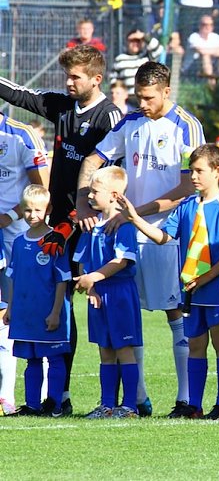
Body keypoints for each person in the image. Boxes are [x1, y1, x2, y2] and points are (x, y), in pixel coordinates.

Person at [0, 44, 123, 415]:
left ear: (96, 79)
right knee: (58, 299)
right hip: (62, 225)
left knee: (109, 306)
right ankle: (60, 396)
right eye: (66, 76)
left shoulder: (111, 116)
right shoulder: (62, 106)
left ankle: (130, 397)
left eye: (76, 77)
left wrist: (95, 206)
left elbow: (113, 171)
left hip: (96, 225)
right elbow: (21, 94)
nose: (68, 82)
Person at [77, 61, 204, 418]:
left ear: (167, 91)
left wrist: (134, 212)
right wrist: (81, 201)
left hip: (167, 234)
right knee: (129, 316)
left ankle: (185, 400)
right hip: (128, 232)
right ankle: (138, 399)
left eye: (148, 97)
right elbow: (93, 158)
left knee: (173, 311)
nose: (142, 103)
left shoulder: (187, 126)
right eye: (138, 96)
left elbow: (185, 186)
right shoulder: (130, 122)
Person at [122, 144, 219, 419]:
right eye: (191, 171)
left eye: (199, 171)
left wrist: (207, 276)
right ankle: (194, 406)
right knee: (196, 344)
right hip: (191, 290)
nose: (193, 177)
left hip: (216, 288)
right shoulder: (187, 205)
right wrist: (135, 219)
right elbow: (164, 236)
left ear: (217, 171)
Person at [72, 166, 142, 419]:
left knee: (124, 348)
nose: (89, 196)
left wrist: (94, 277)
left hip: (120, 293)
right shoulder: (92, 225)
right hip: (98, 294)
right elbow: (82, 259)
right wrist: (90, 284)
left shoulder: (123, 226)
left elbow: (122, 261)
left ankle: (130, 406)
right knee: (105, 350)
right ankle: (107, 405)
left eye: (95, 191)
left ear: (114, 195)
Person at [3, 184, 70, 417]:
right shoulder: (19, 242)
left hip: (48, 312)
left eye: (38, 210)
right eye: (28, 210)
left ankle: (54, 403)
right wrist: (10, 307)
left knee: (54, 356)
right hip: (25, 312)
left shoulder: (55, 241)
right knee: (31, 359)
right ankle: (32, 405)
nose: (33, 215)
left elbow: (62, 280)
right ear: (22, 210)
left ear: (48, 209)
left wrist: (56, 312)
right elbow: (13, 277)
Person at [0, 115, 48, 413]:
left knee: (24, 312)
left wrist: (10, 217)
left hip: (20, 239)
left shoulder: (20, 135)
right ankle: (6, 395)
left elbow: (41, 191)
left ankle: (41, 396)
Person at [111, 28, 165, 101]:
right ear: (127, 42)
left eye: (138, 41)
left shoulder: (148, 57)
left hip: (145, 98)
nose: (135, 43)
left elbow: (159, 49)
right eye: (132, 41)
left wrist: (144, 36)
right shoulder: (120, 59)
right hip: (127, 100)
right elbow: (113, 80)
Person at [183, 15, 219, 88]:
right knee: (205, 57)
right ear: (199, 25)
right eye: (205, 24)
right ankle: (212, 86)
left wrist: (209, 51)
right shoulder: (194, 37)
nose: (208, 27)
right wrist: (217, 51)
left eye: (210, 24)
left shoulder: (216, 37)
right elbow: (202, 52)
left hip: (214, 66)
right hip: (192, 69)